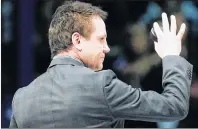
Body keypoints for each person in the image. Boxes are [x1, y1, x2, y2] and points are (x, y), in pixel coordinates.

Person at [9, 1, 193, 128]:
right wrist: (171, 56)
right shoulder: (101, 84)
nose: (106, 48)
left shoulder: (22, 98)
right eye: (101, 39)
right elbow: (174, 107)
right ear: (77, 40)